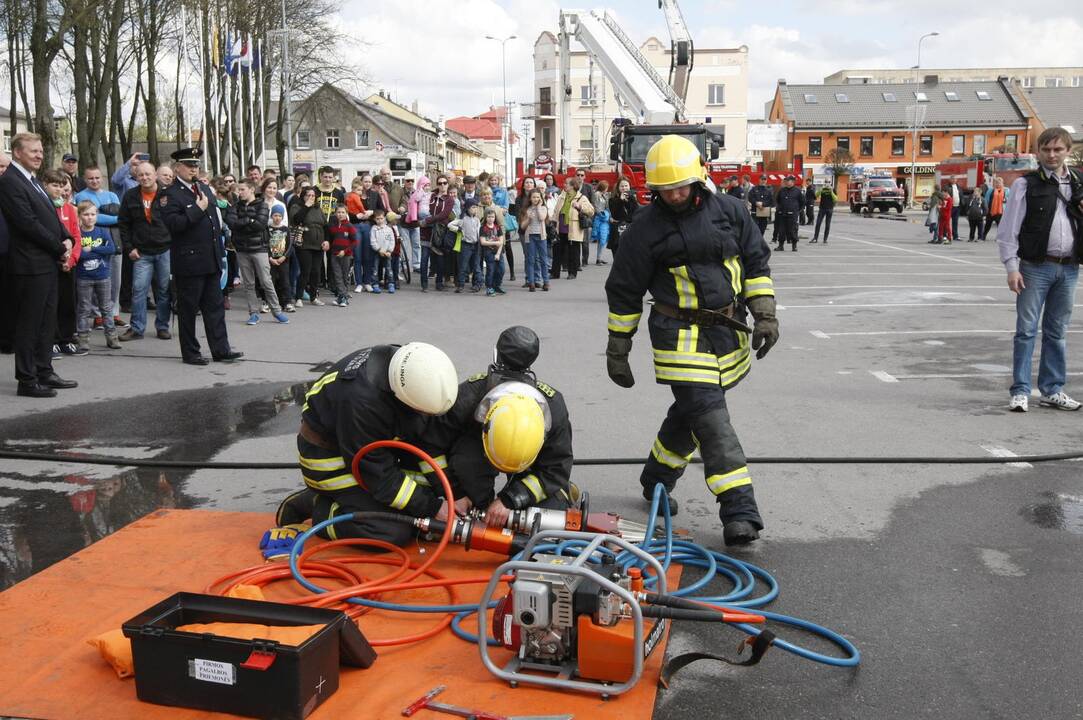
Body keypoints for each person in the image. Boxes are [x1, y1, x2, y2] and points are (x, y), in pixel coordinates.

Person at [604, 134, 777, 546]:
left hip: (726, 331)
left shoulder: (732, 212)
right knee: (712, 420)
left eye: (680, 186)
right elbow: (624, 292)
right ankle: (739, 509)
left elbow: (755, 263)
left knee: (691, 413)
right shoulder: (643, 231)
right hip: (677, 336)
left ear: (700, 178)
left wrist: (765, 314)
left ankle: (657, 478)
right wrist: (618, 348)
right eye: (665, 189)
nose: (675, 195)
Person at [273, 342, 462, 546]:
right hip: (329, 460)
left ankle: (354, 503)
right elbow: (377, 474)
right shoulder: (361, 401)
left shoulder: (412, 367)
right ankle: (319, 508)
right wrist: (432, 508)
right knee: (393, 530)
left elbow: (425, 440)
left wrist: (453, 495)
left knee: (416, 508)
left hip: (370, 449)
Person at [434, 326, 574, 524]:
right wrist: (454, 493)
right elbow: (432, 446)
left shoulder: (469, 393)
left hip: (528, 466)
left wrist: (512, 499)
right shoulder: (469, 398)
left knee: (541, 516)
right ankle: (479, 503)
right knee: (467, 464)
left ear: (496, 354)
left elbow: (555, 468)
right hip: (475, 460)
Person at [999, 127, 1083, 413]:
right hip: (1035, 267)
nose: (1051, 154)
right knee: (1026, 331)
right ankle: (1021, 390)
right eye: (1046, 149)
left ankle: (1052, 389)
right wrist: (1012, 267)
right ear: (1038, 152)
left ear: (1067, 152)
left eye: (1058, 149)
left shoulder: (1078, 182)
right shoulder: (1026, 184)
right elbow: (1008, 230)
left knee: (1057, 332)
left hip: (1069, 267)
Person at [0, 133, 78, 397]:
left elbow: (49, 216)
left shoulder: (32, 180)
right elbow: (27, 223)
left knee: (47, 322)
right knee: (29, 324)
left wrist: (66, 237)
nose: (39, 155)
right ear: (17, 153)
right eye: (33, 151)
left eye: (41, 151)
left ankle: (44, 371)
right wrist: (58, 247)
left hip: (47, 263)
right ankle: (27, 379)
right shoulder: (10, 182)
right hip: (29, 265)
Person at [158, 147, 242, 366]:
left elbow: (215, 220)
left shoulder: (203, 188)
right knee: (188, 310)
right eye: (189, 165)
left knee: (214, 308)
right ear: (177, 168)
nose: (193, 169)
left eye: (196, 165)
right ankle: (191, 352)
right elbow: (174, 225)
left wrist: (220, 252)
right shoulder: (169, 194)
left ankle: (221, 350)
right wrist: (197, 209)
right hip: (189, 261)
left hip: (211, 258)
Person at [117, 163, 172, 342]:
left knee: (163, 291)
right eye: (140, 175)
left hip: (165, 249)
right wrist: (129, 248)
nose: (144, 178)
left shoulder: (168, 194)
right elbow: (123, 224)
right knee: (139, 290)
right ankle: (137, 328)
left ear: (155, 175)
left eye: (148, 174)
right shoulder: (130, 196)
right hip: (141, 253)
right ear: (136, 177)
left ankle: (163, 327)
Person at [228, 179, 288, 325]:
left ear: (251, 189)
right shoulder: (236, 206)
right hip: (242, 249)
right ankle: (253, 313)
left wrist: (244, 223)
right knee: (248, 283)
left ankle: (277, 311)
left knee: (266, 281)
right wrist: (249, 220)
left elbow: (260, 225)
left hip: (259, 248)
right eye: (239, 190)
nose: (239, 193)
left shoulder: (262, 204)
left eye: (242, 190)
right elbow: (232, 223)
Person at [74, 166, 126, 330]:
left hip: (114, 240)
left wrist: (107, 216)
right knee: (94, 275)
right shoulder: (81, 196)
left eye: (97, 177)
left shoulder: (112, 195)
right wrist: (113, 217)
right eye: (90, 178)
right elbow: (93, 218)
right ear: (85, 179)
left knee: (115, 279)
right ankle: (98, 315)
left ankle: (113, 313)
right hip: (92, 240)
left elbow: (120, 216)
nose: (94, 181)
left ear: (101, 177)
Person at [74, 202, 120, 351]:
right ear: (80, 216)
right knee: (84, 309)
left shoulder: (103, 231)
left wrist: (92, 248)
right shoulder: (77, 233)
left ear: (97, 216)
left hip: (103, 276)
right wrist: (95, 251)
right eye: (86, 214)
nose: (89, 218)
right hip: (83, 277)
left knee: (106, 308)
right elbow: (78, 254)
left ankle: (112, 337)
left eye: (93, 214)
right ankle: (83, 339)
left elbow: (111, 249)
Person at [46, 172, 83, 358]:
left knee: (68, 303)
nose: (59, 190)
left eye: (62, 186)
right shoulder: (43, 208)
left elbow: (76, 236)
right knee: (51, 304)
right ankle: (50, 341)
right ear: (45, 186)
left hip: (69, 265)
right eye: (54, 185)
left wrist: (71, 259)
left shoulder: (70, 209)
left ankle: (66, 340)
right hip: (51, 264)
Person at [289, 186, 328, 307]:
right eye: (308, 195)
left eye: (313, 196)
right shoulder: (297, 207)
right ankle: (299, 297)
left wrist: (326, 240)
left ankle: (313, 297)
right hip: (304, 243)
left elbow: (325, 226)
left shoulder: (318, 208)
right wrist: (306, 206)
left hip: (318, 244)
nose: (311, 198)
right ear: (303, 196)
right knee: (305, 271)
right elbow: (296, 220)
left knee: (316, 272)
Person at [552, 176, 594, 279]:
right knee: (557, 251)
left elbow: (591, 211)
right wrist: (553, 222)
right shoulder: (562, 196)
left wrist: (580, 207)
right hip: (560, 227)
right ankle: (555, 273)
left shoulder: (581, 198)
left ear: (572, 186)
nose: (564, 185)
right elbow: (556, 211)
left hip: (573, 228)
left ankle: (572, 272)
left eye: (566, 183)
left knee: (573, 251)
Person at [420, 175, 455, 293]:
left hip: (440, 231)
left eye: (445, 183)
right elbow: (422, 207)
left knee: (440, 257)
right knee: (424, 257)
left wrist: (427, 220)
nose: (442, 185)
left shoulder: (450, 199)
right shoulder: (430, 196)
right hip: (426, 231)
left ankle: (439, 282)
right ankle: (424, 283)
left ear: (448, 184)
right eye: (440, 183)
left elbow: (444, 215)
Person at [449, 198, 482, 293]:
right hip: (465, 246)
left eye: (476, 207)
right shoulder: (462, 219)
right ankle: (461, 285)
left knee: (476, 266)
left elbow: (478, 232)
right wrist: (458, 229)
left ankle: (478, 284)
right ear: (467, 208)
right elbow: (450, 225)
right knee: (463, 266)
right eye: (473, 207)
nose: (475, 209)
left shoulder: (477, 220)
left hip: (475, 245)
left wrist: (480, 243)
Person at [326, 205, 356, 306]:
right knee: (337, 276)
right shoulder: (333, 227)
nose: (340, 214)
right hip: (335, 255)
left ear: (346, 214)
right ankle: (342, 297)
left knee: (344, 276)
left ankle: (342, 297)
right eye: (338, 212)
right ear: (335, 214)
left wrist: (345, 251)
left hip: (346, 256)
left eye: (343, 212)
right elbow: (330, 239)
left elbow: (355, 241)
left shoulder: (349, 226)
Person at [267, 203, 294, 312]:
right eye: (275, 215)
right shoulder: (267, 229)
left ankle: (287, 302)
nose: (277, 218)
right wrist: (270, 258)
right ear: (271, 216)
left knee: (285, 281)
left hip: (283, 260)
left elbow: (289, 245)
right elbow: (265, 244)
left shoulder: (285, 229)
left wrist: (284, 256)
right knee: (270, 281)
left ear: (282, 217)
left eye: (279, 216)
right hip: (271, 260)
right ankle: (269, 302)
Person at [521, 189, 548, 291]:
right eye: (533, 197)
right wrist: (528, 219)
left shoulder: (543, 208)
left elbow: (541, 218)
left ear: (540, 198)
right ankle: (531, 283)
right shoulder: (527, 209)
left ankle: (546, 282)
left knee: (543, 260)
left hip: (541, 236)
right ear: (530, 198)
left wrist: (537, 208)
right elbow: (523, 226)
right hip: (530, 237)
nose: (536, 199)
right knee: (531, 260)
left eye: (537, 197)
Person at [369, 207, 398, 294]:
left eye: (381, 218)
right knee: (375, 269)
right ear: (374, 219)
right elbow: (372, 241)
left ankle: (391, 284)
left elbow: (392, 241)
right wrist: (379, 250)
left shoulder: (388, 229)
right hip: (377, 252)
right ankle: (375, 284)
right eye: (377, 219)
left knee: (389, 269)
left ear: (384, 218)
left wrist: (389, 251)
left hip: (387, 253)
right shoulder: (373, 229)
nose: (380, 220)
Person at [608, 177, 639, 256]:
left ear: (629, 187)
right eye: (622, 186)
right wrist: (620, 201)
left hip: (630, 231)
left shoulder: (632, 199)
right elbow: (614, 215)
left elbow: (635, 213)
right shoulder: (613, 200)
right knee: (617, 257)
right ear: (618, 188)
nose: (624, 188)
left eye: (626, 186)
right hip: (617, 232)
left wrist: (628, 200)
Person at [480, 207, 505, 296]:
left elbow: (501, 242)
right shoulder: (483, 228)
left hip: (498, 252)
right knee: (491, 270)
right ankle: (489, 287)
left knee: (501, 270)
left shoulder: (497, 228)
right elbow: (483, 242)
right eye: (489, 217)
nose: (491, 219)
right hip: (488, 252)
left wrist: (498, 253)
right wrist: (495, 242)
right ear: (485, 217)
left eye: (493, 217)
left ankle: (497, 285)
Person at [774, 175, 804, 251]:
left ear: (792, 182)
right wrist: (779, 209)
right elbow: (778, 200)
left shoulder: (797, 191)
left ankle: (794, 246)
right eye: (786, 181)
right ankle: (781, 246)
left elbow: (802, 202)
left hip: (792, 215)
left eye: (788, 180)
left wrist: (796, 210)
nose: (786, 182)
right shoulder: (782, 190)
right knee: (781, 230)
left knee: (793, 230)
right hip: (783, 214)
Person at [592, 179, 611, 264]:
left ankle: (599, 257)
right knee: (601, 238)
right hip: (599, 218)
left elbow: (607, 206)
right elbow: (595, 206)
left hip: (604, 219)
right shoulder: (596, 194)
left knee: (603, 239)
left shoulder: (604, 195)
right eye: (606, 187)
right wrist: (601, 214)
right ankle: (598, 258)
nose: (607, 189)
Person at [984, 176, 1009, 241]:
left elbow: (1010, 200)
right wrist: (986, 209)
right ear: (994, 184)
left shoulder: (1006, 191)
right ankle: (983, 236)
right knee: (988, 224)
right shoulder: (990, 190)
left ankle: (999, 237)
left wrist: (1006, 200)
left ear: (1002, 183)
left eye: (999, 183)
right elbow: (986, 200)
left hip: (1001, 211)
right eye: (997, 183)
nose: (998, 184)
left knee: (1000, 226)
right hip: (991, 210)